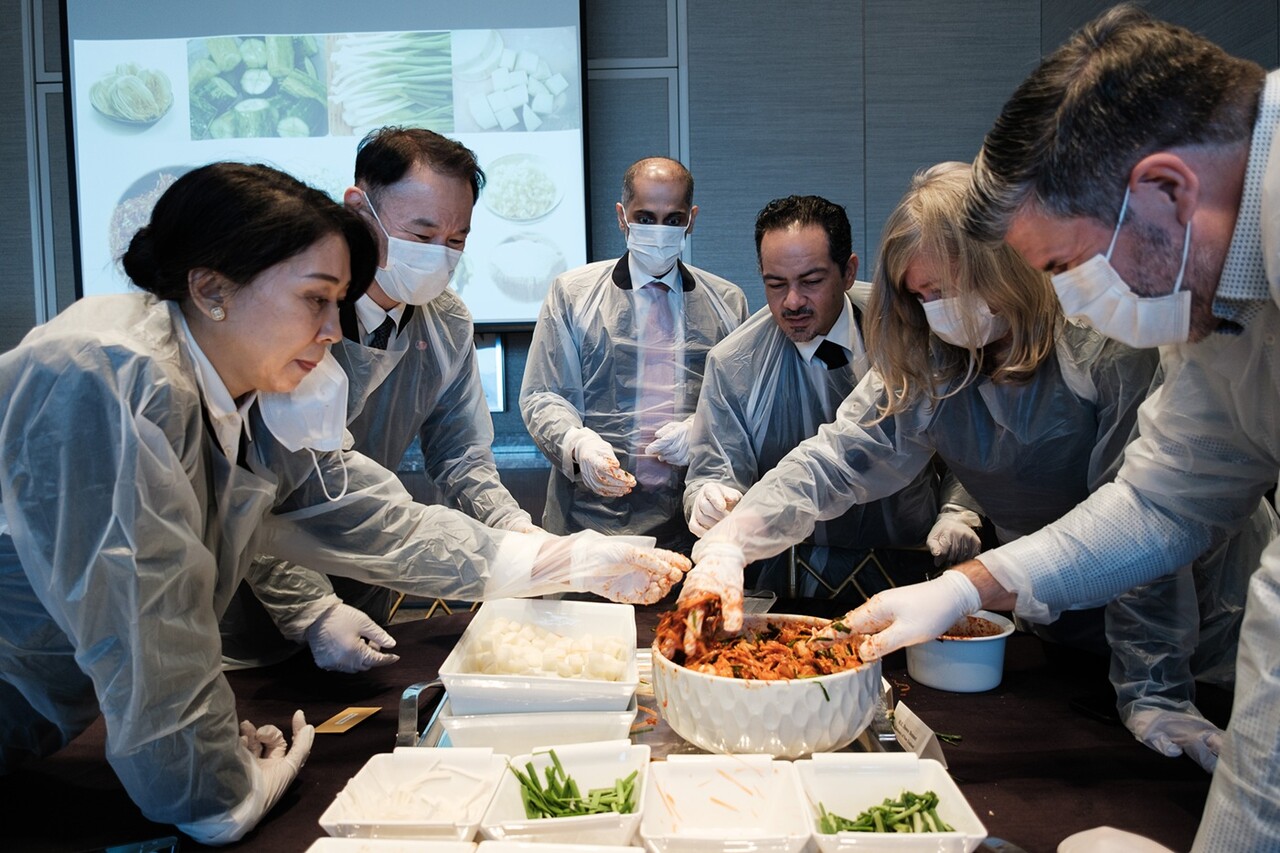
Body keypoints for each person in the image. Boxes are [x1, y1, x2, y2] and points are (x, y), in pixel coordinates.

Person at [0, 162, 688, 845]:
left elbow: (366, 515)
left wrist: (561, 558)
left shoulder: (246, 389)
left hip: (60, 703)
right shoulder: (109, 376)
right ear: (211, 288)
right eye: (315, 300)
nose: (334, 331)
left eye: (338, 302)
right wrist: (216, 791)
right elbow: (147, 619)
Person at [818, 7, 1280, 849]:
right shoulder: (1211, 289)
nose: (1067, 301)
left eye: (1065, 265)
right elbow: (1162, 501)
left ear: (1166, 191)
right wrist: (968, 587)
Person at [677, 162, 1273, 769]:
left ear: (1004, 267)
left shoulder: (1098, 343)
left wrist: (1157, 690)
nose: (935, 311)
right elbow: (838, 459)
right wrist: (736, 539)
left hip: (1200, 611)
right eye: (920, 295)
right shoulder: (932, 356)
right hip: (1048, 600)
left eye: (946, 290)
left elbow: (1144, 525)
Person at [220, 127, 541, 673]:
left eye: (457, 239)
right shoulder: (288, 315)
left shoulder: (446, 323)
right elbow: (246, 493)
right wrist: (312, 609)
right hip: (251, 595)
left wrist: (514, 530)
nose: (438, 254)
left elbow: (460, 454)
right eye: (421, 233)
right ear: (358, 207)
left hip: (368, 578)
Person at [682, 193, 982, 596]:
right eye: (776, 284)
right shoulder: (735, 364)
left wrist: (960, 511)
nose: (792, 302)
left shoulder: (909, 330)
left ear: (848, 271)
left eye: (811, 282)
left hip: (911, 568)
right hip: (790, 580)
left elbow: (962, 432)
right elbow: (716, 468)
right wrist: (709, 498)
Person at [521, 156, 749, 554]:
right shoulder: (574, 295)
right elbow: (544, 394)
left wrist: (701, 429)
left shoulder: (725, 303)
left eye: (672, 219)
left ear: (691, 219)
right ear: (621, 216)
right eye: (644, 217)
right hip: (587, 523)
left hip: (691, 524)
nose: (658, 230)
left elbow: (742, 406)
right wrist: (576, 444)